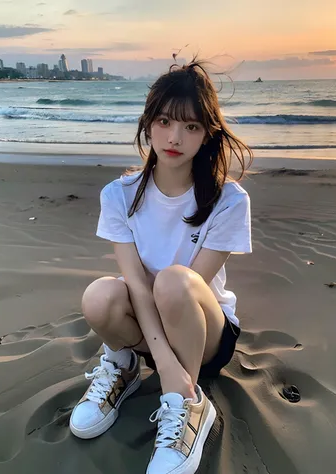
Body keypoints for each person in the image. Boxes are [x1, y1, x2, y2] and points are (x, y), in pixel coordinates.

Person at [69, 58, 253, 474]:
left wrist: (174, 367)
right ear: (148, 122)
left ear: (207, 136)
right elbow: (134, 282)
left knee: (173, 280)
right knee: (100, 296)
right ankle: (124, 368)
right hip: (150, 322)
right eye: (166, 121)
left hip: (204, 332)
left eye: (191, 127)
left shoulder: (229, 200)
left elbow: (191, 287)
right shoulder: (119, 195)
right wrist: (162, 362)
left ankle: (188, 402)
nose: (174, 137)